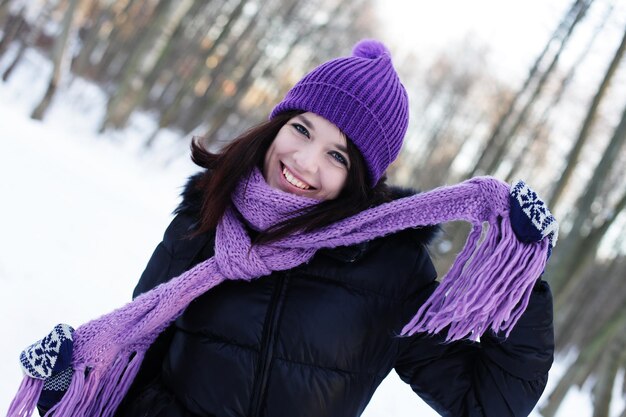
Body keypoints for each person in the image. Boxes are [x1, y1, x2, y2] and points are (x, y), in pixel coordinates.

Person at [14, 39, 555, 417]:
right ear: (278, 124)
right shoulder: (204, 219)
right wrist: (67, 387)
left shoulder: (390, 268)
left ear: (360, 179)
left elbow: (482, 402)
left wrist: (521, 276)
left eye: (337, 156)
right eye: (302, 129)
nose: (304, 162)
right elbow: (134, 368)